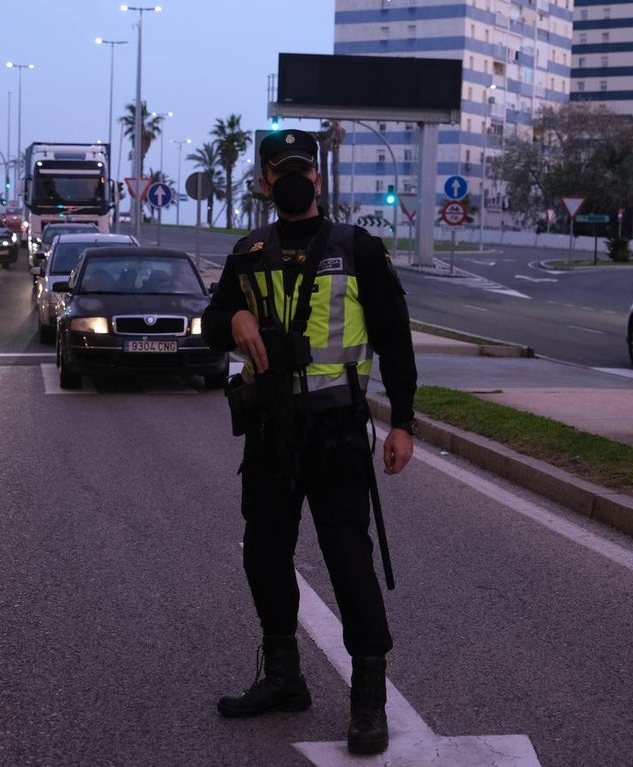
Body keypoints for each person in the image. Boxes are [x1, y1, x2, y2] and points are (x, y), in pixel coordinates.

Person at [203, 128, 418, 756]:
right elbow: (213, 321)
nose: (293, 178)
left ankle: (368, 704)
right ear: (266, 182)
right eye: (281, 170)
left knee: (350, 561)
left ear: (317, 179)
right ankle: (283, 676)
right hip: (271, 431)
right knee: (263, 555)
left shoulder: (359, 249)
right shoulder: (248, 252)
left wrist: (402, 421)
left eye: (303, 167)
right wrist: (233, 318)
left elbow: (395, 341)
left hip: (336, 432)